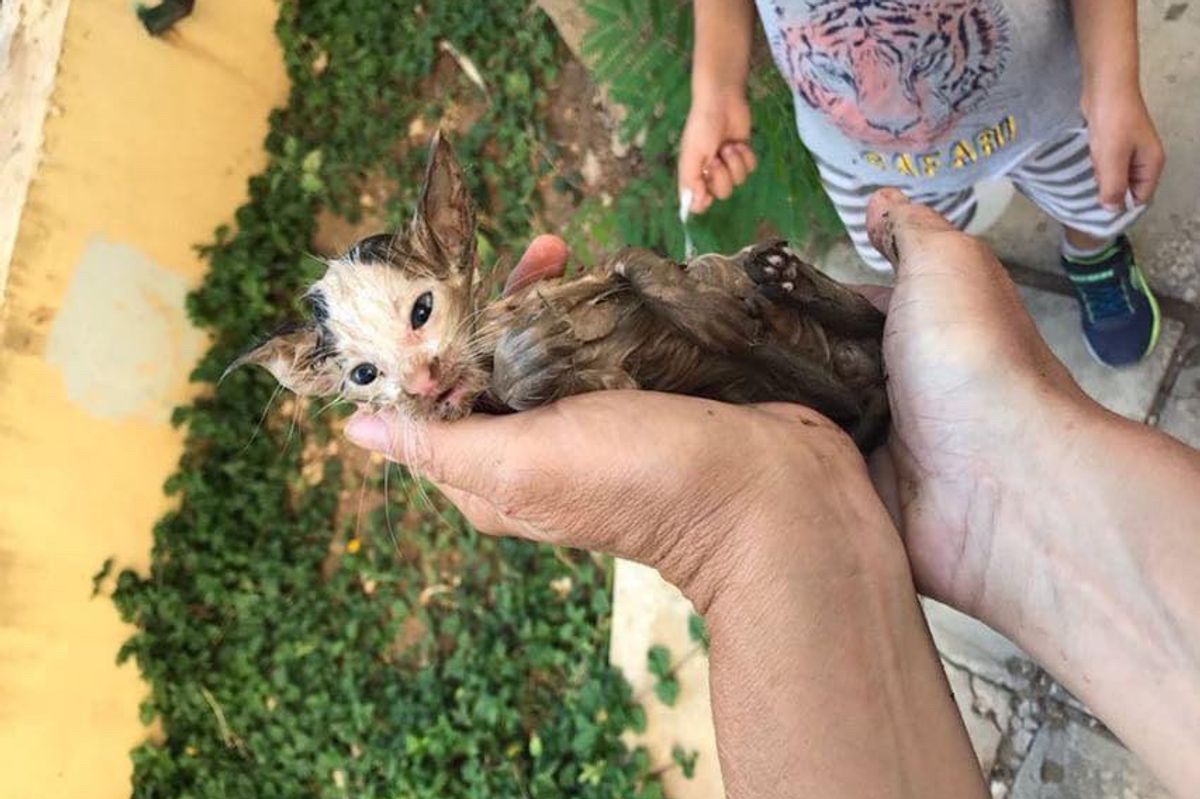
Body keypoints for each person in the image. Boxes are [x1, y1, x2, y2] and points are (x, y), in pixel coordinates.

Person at [343, 191, 1200, 798]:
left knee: (788, 323)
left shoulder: (523, 336)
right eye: (369, 373)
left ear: (451, 253)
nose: (418, 373)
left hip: (773, 349)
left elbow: (635, 278)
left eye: (420, 312)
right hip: (777, 390)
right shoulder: (506, 370)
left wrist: (734, 523)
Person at [678, 0, 1166, 368]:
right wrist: (715, 90)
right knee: (904, 253)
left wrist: (1113, 83)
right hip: (864, 154)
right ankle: (956, 304)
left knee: (1098, 197)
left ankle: (1093, 257)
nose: (895, 113)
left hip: (1052, 99)